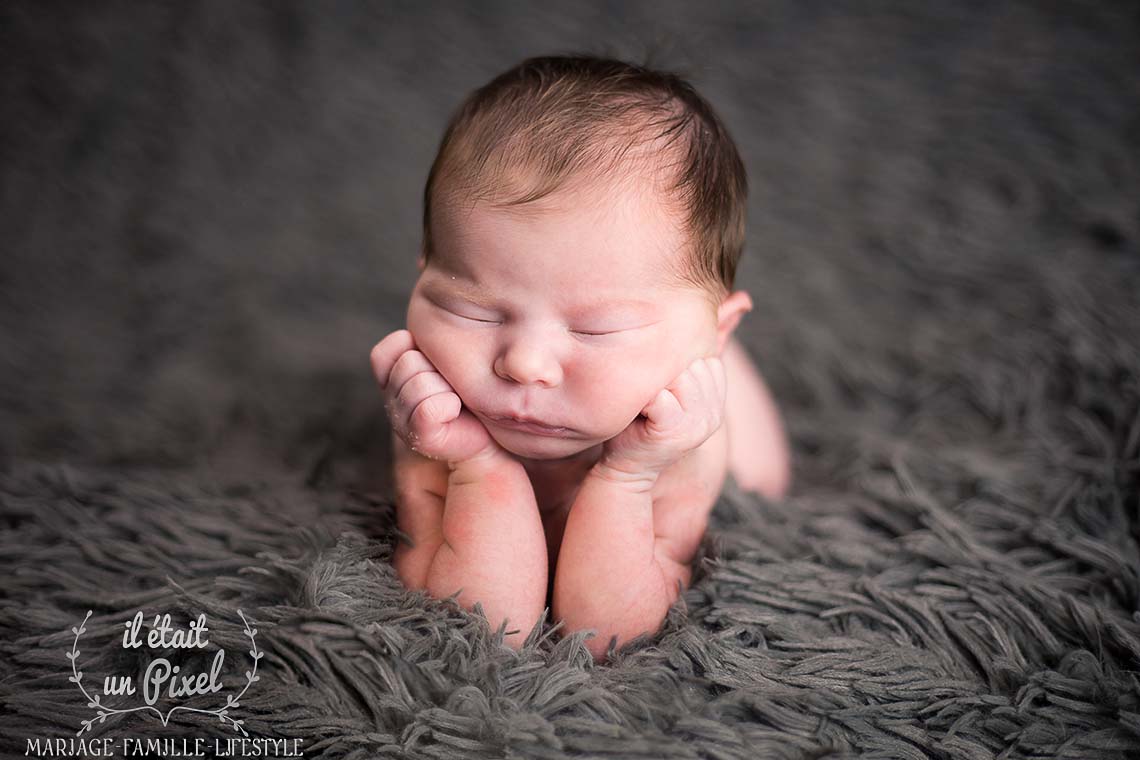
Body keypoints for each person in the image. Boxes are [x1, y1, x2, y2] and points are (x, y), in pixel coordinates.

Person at [370, 54, 790, 660]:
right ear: (422, 282)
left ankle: (716, 347)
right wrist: (475, 466)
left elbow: (606, 632)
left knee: (760, 469)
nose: (524, 363)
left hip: (697, 419)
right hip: (648, 352)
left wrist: (627, 476)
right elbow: (478, 627)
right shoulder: (434, 410)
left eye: (598, 329)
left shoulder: (685, 445)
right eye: (474, 311)